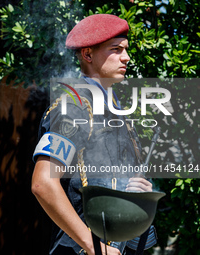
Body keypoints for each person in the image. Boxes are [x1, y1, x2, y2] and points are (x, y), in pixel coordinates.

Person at [31, 14, 156, 255]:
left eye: (126, 49)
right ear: (88, 55)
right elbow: (43, 183)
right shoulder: (73, 108)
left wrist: (134, 190)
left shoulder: (116, 110)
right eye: (116, 49)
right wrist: (93, 246)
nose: (126, 57)